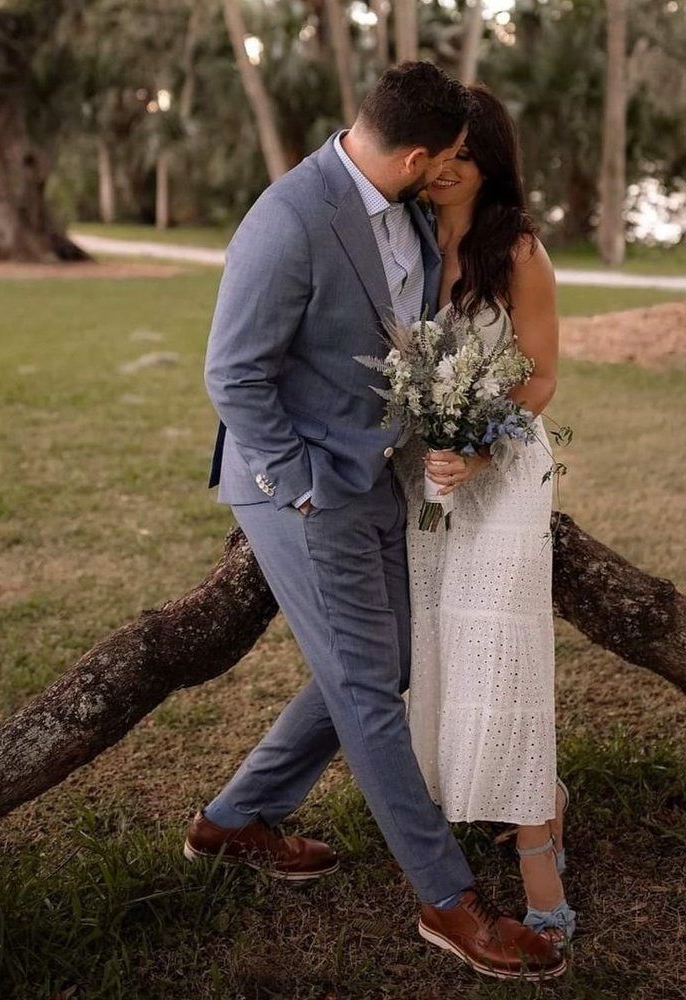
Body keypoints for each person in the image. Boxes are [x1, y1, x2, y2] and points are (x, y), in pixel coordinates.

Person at [193, 62, 566, 980]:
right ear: (413, 153)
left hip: (378, 480)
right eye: (440, 160)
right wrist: (300, 485)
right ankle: (449, 901)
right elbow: (231, 373)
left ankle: (236, 818)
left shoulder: (405, 206)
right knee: (368, 689)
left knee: (390, 664)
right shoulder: (288, 217)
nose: (445, 175)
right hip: (302, 484)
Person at [397, 84, 575, 946]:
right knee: (444, 645)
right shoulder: (405, 236)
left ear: (490, 161)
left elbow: (540, 378)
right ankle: (494, 802)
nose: (444, 170)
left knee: (506, 660)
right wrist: (437, 442)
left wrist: (479, 442)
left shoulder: (521, 252)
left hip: (503, 476)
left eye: (463, 155)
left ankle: (542, 864)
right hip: (428, 480)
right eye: (437, 153)